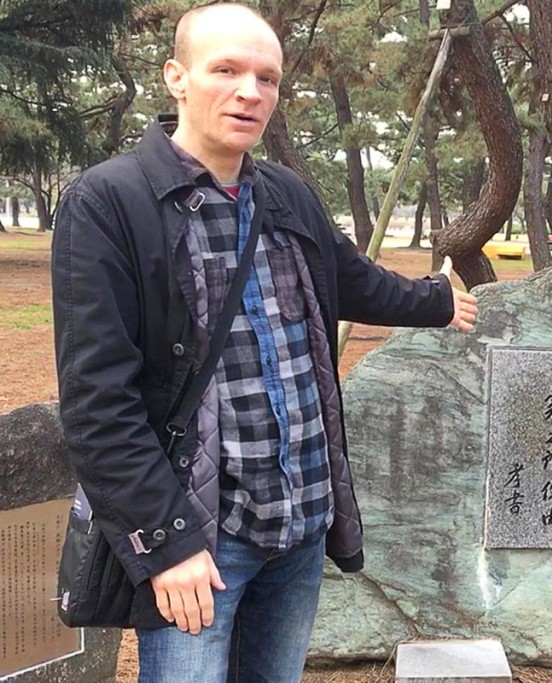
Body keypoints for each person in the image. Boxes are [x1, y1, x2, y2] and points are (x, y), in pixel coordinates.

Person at [50, 3, 478, 681]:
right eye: (226, 70)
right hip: (201, 537)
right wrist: (167, 541)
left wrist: (433, 300)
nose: (251, 92)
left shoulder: (284, 195)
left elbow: (353, 278)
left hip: (300, 521)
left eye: (268, 77)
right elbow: (98, 402)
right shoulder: (110, 204)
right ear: (177, 77)